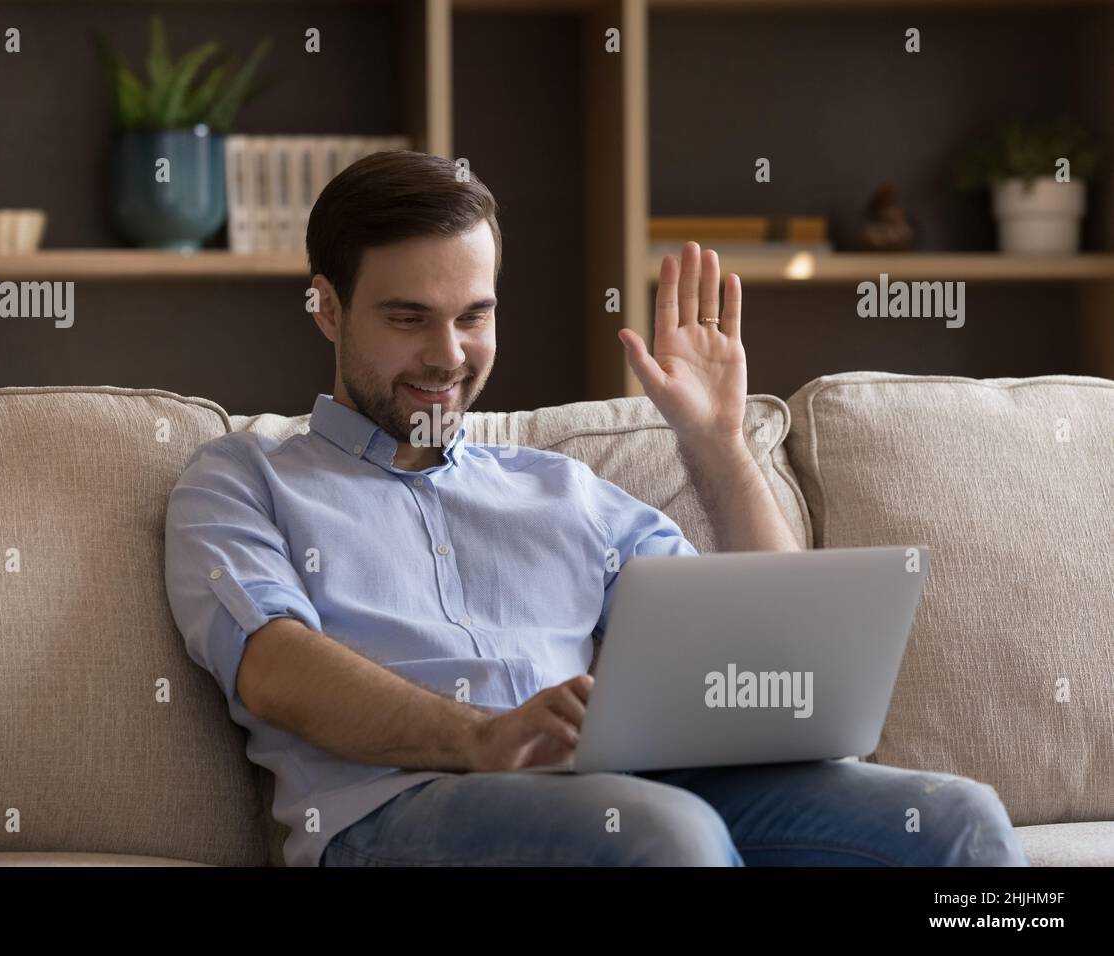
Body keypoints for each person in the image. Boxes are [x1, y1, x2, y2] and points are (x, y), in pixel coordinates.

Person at [164, 149, 1027, 867]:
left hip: (621, 791)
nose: (448, 355)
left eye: (475, 315)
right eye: (407, 318)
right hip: (396, 813)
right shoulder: (242, 477)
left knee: (958, 823)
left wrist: (718, 444)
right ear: (326, 307)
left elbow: (771, 649)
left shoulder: (562, 490)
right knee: (667, 838)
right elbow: (272, 667)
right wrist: (480, 738)